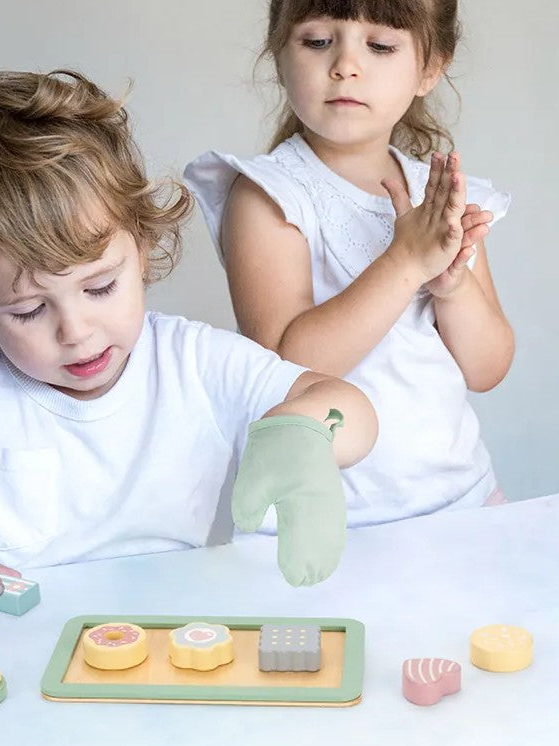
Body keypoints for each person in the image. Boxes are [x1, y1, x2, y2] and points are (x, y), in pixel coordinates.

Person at [0, 69, 378, 602]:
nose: (75, 332)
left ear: (141, 248)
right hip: (7, 643)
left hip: (177, 634)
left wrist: (301, 433)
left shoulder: (194, 362)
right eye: (29, 311)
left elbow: (345, 405)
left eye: (99, 288)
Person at [184, 0, 514, 525]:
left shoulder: (440, 197)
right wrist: (405, 262)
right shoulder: (269, 195)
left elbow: (487, 369)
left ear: (430, 68)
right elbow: (283, 365)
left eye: (379, 46)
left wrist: (452, 288)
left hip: (464, 501)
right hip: (337, 522)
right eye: (318, 41)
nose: (345, 65)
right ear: (279, 54)